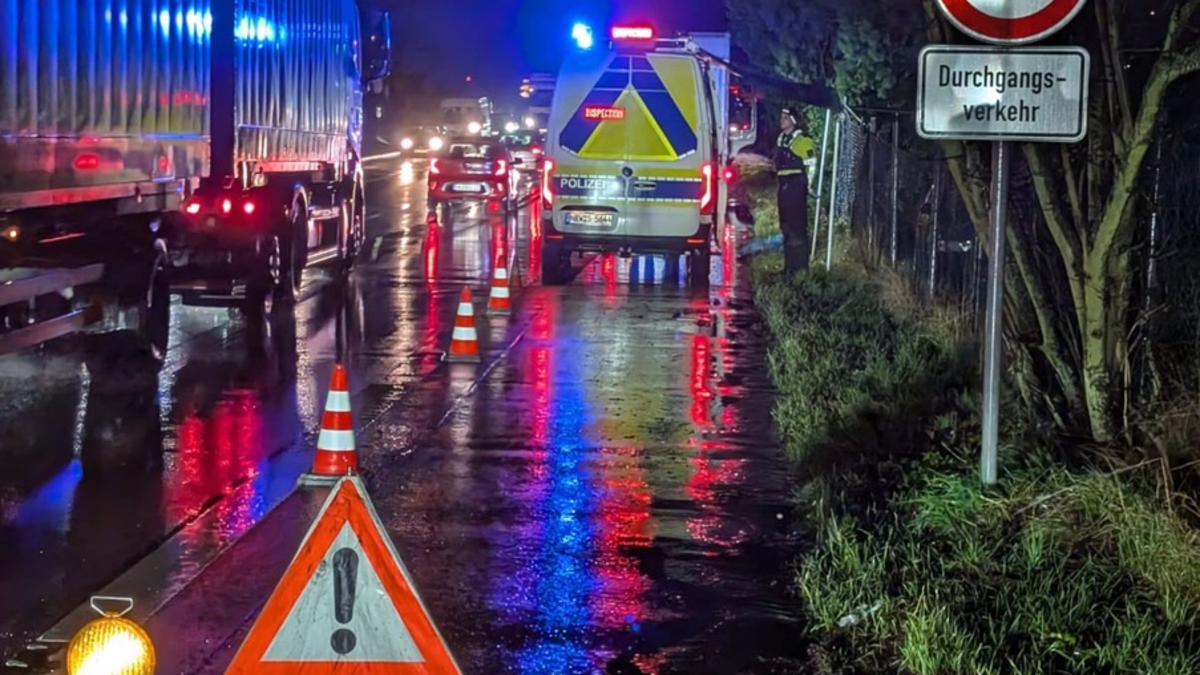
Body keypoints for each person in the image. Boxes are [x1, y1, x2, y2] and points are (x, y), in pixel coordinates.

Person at [774, 107, 816, 273]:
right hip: (783, 184)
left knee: (797, 226)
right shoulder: (781, 139)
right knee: (785, 226)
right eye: (781, 117)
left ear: (793, 120)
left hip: (796, 185)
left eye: (785, 118)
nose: (781, 120)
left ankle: (800, 267)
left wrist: (809, 185)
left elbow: (811, 164)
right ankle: (789, 266)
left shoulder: (802, 140)